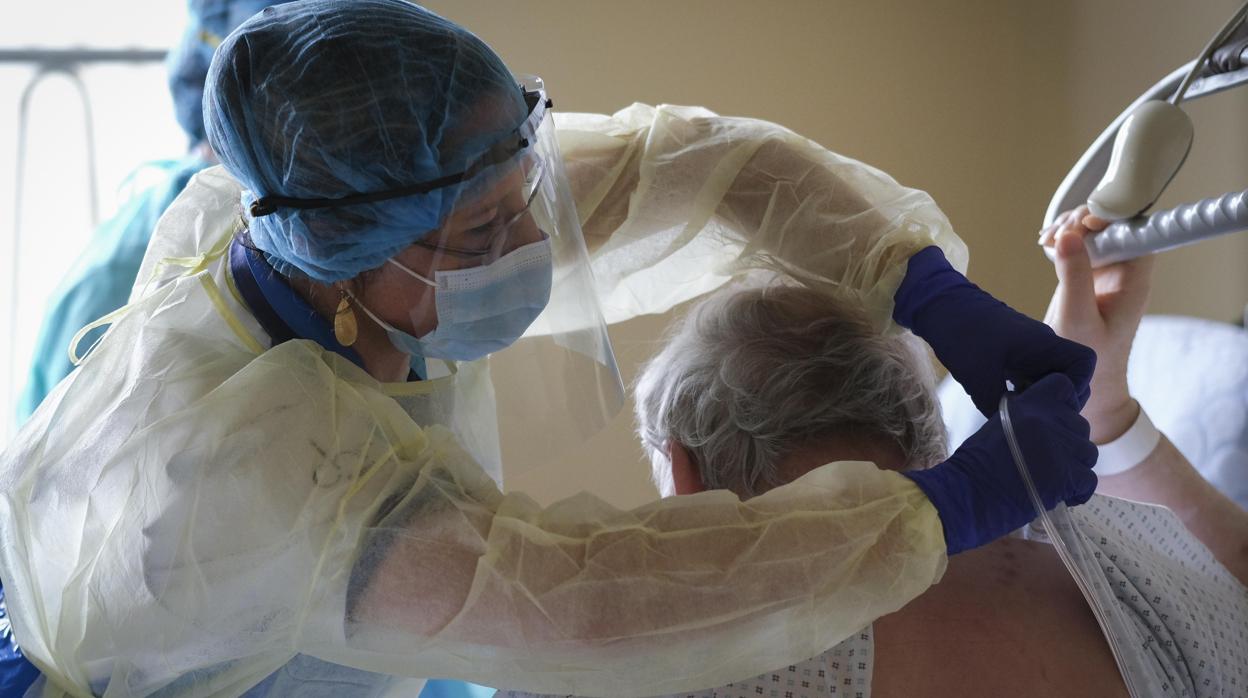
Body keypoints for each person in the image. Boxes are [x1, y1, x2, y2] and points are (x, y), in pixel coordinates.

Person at [0, 2, 1101, 696]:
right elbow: (584, 599)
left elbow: (709, 164)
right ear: (348, 263)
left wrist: (918, 282)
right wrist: (938, 509)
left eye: (523, 195)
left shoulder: (364, 222)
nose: (534, 243)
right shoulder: (259, 465)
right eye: (487, 234)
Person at [502, 236, 1245, 696]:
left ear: (684, 474)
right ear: (936, 446)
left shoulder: (622, 651)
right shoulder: (1128, 587)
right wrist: (1106, 407)